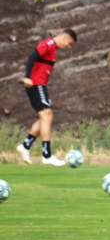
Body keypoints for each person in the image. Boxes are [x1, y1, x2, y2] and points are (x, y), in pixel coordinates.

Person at [16, 30, 77, 166]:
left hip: (40, 85)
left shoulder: (53, 50)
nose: (68, 47)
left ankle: (26, 146)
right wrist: (27, 77)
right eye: (69, 44)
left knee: (46, 117)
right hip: (36, 84)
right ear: (64, 37)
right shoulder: (49, 43)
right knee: (46, 115)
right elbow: (33, 56)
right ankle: (47, 155)